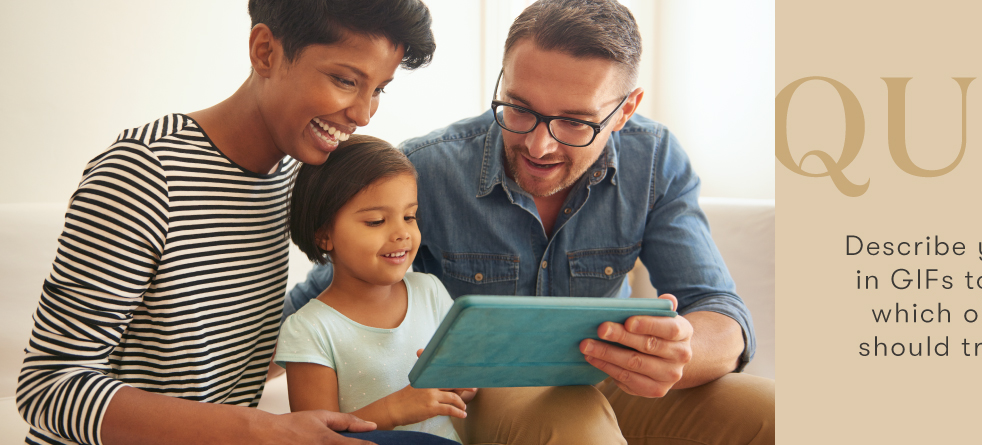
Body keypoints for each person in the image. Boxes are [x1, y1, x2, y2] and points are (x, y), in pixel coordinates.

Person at [288, 0, 775, 443]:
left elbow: (717, 309)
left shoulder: (654, 160)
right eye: (519, 109)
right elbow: (326, 297)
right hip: (483, 390)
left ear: (625, 110)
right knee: (574, 425)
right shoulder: (426, 168)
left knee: (774, 413)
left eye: (576, 122)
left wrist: (678, 354)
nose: (539, 146)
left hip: (611, 378)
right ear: (501, 80)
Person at [16, 1, 438, 444]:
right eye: (346, 81)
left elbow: (275, 328)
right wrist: (262, 430)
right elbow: (48, 386)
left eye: (379, 90)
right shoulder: (145, 174)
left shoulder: (295, 177)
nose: (364, 113)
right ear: (265, 52)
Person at [275, 135, 472, 444]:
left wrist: (464, 385)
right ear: (324, 235)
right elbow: (317, 437)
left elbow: (464, 376)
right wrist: (394, 409)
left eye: (410, 216)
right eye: (376, 221)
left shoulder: (430, 291)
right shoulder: (309, 330)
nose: (402, 233)